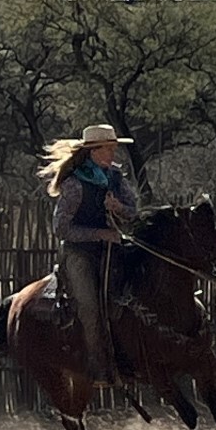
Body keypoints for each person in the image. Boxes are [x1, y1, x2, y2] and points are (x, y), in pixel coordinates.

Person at [37, 124, 139, 384]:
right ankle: (98, 366)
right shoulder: (74, 184)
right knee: (90, 307)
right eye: (108, 148)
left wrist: (119, 208)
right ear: (94, 151)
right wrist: (99, 234)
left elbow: (134, 211)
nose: (113, 153)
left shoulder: (116, 177)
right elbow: (61, 228)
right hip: (80, 253)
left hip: (113, 248)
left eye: (114, 148)